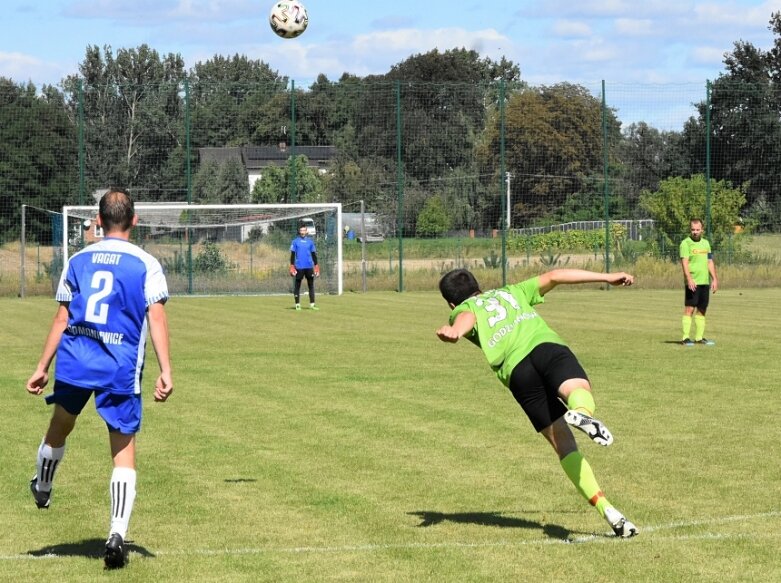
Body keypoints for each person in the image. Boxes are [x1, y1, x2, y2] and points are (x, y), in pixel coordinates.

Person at [26, 189, 173, 569]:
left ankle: (42, 486)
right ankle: (117, 534)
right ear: (135, 221)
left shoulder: (77, 260)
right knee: (123, 450)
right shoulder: (145, 263)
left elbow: (62, 318)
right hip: (119, 366)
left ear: (98, 221)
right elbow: (156, 317)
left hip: (76, 361)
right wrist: (166, 370)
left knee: (60, 425)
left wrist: (43, 366)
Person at [436, 268, 638, 538]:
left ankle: (607, 509)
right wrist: (607, 277)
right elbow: (555, 275)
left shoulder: (463, 308)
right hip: (545, 347)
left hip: (518, 373)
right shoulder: (512, 291)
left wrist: (455, 331)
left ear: (451, 302)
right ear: (479, 285)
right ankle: (581, 412)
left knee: (563, 445)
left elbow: (467, 317)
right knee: (577, 387)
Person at [679, 218, 718, 346]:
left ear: (702, 230)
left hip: (704, 282)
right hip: (693, 282)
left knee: (702, 309)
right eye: (693, 229)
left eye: (697, 229)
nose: (695, 232)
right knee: (689, 308)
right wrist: (689, 279)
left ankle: (699, 338)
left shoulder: (706, 244)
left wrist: (714, 279)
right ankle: (685, 338)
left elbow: (709, 261)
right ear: (690, 230)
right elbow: (684, 263)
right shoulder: (685, 243)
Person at [289, 223, 320, 310]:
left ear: (306, 231)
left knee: (311, 285)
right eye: (301, 230)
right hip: (299, 267)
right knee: (297, 285)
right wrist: (292, 266)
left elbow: (313, 254)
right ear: (299, 231)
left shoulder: (310, 242)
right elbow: (292, 254)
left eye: (304, 230)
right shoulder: (295, 241)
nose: (302, 232)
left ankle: (312, 304)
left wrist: (316, 265)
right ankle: (297, 304)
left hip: (309, 267)